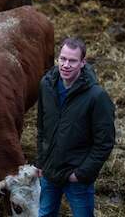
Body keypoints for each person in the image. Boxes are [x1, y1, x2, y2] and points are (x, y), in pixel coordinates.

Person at [36, 37, 116, 217]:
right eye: (62, 59)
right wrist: (41, 163)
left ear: (82, 63)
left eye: (72, 61)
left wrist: (81, 174)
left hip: (76, 177)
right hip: (49, 173)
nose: (65, 65)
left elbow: (105, 142)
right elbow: (41, 128)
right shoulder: (46, 85)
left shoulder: (97, 97)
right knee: (45, 214)